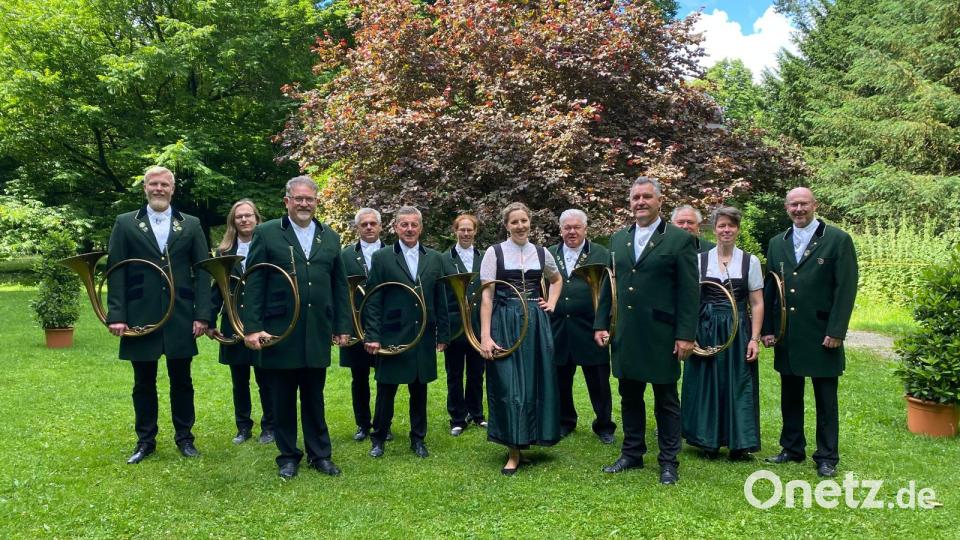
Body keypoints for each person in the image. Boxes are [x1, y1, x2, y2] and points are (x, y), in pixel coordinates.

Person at [241, 175, 352, 479]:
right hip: (279, 329)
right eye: (299, 198)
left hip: (317, 329)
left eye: (309, 199)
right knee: (283, 397)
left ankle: (320, 455)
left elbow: (339, 285)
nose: (304, 204)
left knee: (314, 396)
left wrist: (342, 324)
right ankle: (288, 456)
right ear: (287, 201)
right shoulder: (266, 232)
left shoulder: (330, 237)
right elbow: (254, 281)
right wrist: (251, 327)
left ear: (316, 202)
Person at [594, 176, 699, 485]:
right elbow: (608, 284)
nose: (640, 202)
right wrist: (601, 323)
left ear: (659, 201)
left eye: (646, 197)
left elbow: (689, 292)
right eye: (635, 197)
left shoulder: (679, 240)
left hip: (661, 334)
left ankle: (668, 461)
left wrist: (686, 335)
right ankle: (632, 453)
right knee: (629, 395)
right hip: (626, 332)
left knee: (666, 399)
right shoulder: (618, 239)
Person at [105, 166, 211, 464]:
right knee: (143, 382)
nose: (159, 189)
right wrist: (117, 314)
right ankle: (145, 441)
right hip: (140, 314)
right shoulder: (125, 223)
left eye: (165, 184)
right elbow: (115, 270)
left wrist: (202, 315)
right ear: (145, 188)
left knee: (182, 380)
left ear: (173, 189)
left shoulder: (191, 224)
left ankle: (185, 438)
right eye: (153, 184)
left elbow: (204, 271)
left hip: (181, 314)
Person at [761, 187, 858, 478]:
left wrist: (837, 330)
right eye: (793, 205)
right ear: (786, 207)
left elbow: (845, 288)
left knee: (825, 399)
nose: (799, 209)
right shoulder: (777, 242)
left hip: (822, 333)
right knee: (790, 394)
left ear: (815, 205)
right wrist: (768, 329)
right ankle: (792, 448)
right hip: (788, 333)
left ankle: (827, 456)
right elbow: (771, 288)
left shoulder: (837, 239)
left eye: (804, 204)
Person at [479, 202, 563, 475]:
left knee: (535, 381)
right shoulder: (494, 252)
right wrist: (485, 336)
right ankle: (513, 450)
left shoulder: (541, 252)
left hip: (536, 323)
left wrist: (551, 302)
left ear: (530, 222)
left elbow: (556, 279)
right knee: (510, 384)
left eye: (524, 220)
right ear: (506, 225)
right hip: (505, 321)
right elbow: (487, 296)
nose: (520, 226)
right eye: (514, 222)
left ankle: (528, 438)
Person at [363, 206, 451, 459]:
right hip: (392, 334)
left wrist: (443, 334)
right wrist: (372, 335)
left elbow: (441, 298)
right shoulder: (381, 257)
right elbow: (373, 299)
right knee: (386, 389)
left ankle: (418, 439)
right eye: (404, 224)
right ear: (396, 228)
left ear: (421, 227)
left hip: (423, 334)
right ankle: (378, 438)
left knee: (419, 389)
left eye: (414, 224)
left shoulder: (435, 258)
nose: (409, 229)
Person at [681, 206, 764, 461]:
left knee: (738, 382)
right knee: (706, 381)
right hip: (706, 328)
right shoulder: (700, 260)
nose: (726, 230)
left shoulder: (750, 261)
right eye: (721, 225)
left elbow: (757, 302)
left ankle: (739, 442)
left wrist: (754, 339)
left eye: (731, 225)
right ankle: (707, 440)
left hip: (737, 330)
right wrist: (690, 333)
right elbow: (690, 300)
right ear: (714, 229)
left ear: (737, 229)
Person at [207, 199, 274, 445]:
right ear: (233, 222)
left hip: (262, 321)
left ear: (257, 218)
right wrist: (209, 319)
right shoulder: (224, 252)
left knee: (266, 379)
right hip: (232, 322)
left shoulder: (270, 247)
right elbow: (217, 289)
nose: (244, 220)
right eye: (239, 216)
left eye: (248, 215)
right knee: (239, 380)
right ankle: (243, 427)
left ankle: (270, 427)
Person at [547, 209, 616, 444]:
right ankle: (565, 421)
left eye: (577, 227)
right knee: (560, 380)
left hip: (591, 327)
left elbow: (609, 291)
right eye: (567, 227)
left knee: (599, 381)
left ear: (586, 229)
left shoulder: (601, 253)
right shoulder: (549, 254)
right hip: (558, 327)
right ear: (560, 230)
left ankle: (604, 425)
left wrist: (603, 323)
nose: (572, 232)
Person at [338, 208, 385, 442]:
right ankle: (363, 424)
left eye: (373, 223)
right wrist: (342, 327)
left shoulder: (391, 253)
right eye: (364, 224)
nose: (369, 227)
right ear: (357, 228)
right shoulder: (345, 255)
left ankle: (382, 424)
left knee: (386, 379)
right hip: (355, 325)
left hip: (385, 325)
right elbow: (339, 293)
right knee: (359, 378)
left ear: (380, 226)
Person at [442, 214, 487, 436]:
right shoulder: (444, 259)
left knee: (477, 372)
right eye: (462, 229)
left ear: (475, 231)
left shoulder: (485, 257)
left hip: (478, 324)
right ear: (456, 231)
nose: (466, 233)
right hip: (455, 325)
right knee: (455, 373)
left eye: (470, 229)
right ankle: (457, 418)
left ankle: (476, 413)